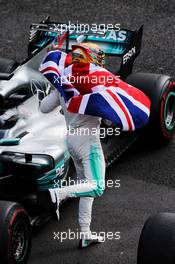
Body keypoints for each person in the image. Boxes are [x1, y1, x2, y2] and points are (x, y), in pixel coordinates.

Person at [39, 41, 151, 248]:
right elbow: (109, 113)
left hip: (71, 141)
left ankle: (85, 234)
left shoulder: (63, 80)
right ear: (90, 58)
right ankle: (57, 194)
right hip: (88, 142)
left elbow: (44, 108)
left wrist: (54, 88)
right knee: (97, 187)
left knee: (87, 189)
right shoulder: (96, 82)